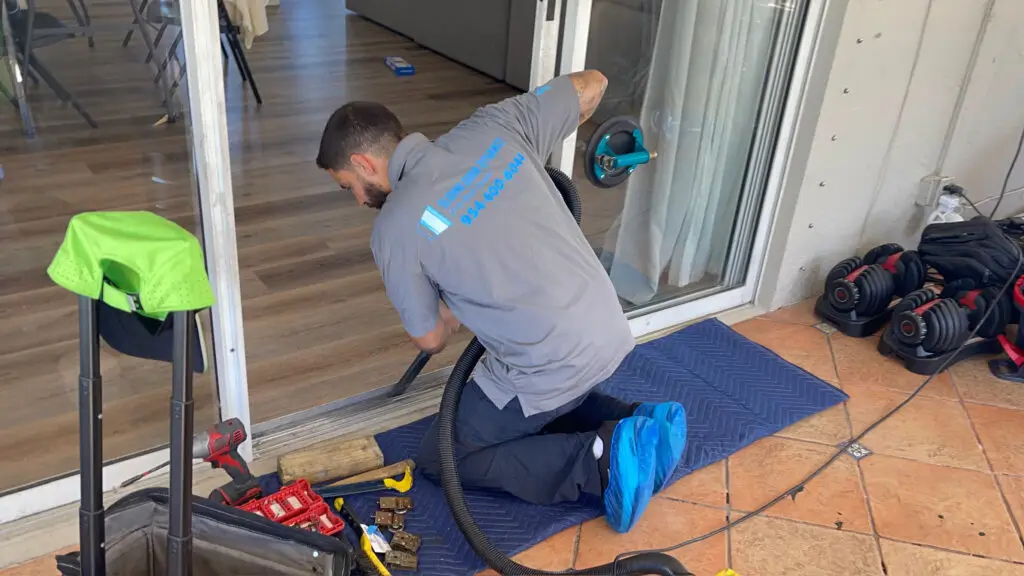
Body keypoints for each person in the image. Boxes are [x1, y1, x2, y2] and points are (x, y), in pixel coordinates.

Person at [315, 70, 685, 533]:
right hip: (609, 328)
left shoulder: (393, 231)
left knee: (443, 456)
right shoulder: (495, 127)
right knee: (525, 395)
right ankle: (638, 422)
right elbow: (593, 83)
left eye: (347, 184)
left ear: (363, 162)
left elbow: (429, 338)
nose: (355, 199)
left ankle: (601, 460)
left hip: (546, 362)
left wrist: (449, 308)